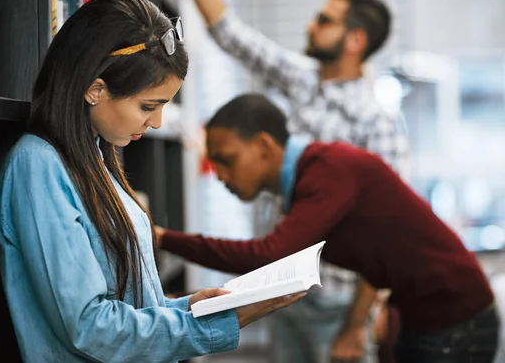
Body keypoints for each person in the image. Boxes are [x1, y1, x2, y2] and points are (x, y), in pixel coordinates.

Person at [0, 0, 303, 363]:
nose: (155, 123)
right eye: (148, 106)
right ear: (95, 89)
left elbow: (127, 300)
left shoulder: (95, 158)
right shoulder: (37, 168)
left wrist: (186, 308)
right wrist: (209, 328)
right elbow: (89, 327)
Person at [166, 0, 409, 361]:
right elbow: (230, 33)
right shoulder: (301, 79)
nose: (311, 24)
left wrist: (357, 323)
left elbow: (389, 233)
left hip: (338, 300)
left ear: (355, 40)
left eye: (325, 20)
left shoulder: (376, 124)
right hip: (284, 289)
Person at [155, 93, 501, 363]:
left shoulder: (327, 169)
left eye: (226, 160)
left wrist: (164, 238)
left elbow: (270, 255)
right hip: (425, 316)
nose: (220, 176)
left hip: (456, 320)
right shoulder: (312, 175)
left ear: (263, 145)